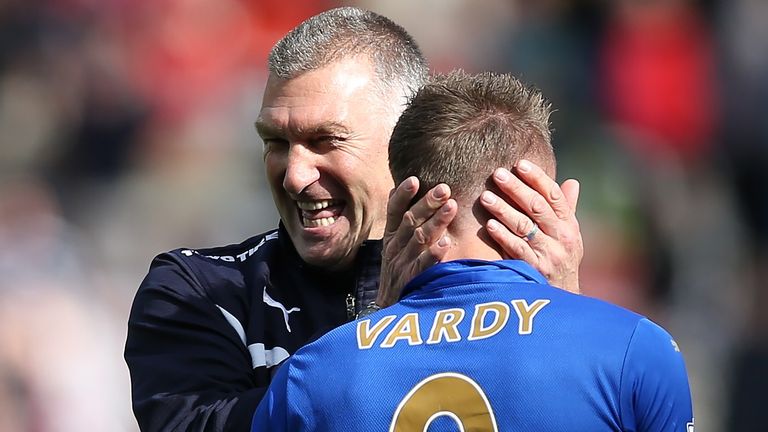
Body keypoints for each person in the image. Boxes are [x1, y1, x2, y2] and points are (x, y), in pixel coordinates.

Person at [125, 7, 583, 431]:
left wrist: (567, 324)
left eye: (326, 140)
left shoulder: (516, 293)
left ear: (405, 139)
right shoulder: (201, 291)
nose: (294, 175)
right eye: (276, 142)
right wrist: (383, 333)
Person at [251, 70, 694, 431]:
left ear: (405, 207)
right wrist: (565, 304)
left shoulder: (310, 375)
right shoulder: (631, 350)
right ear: (539, 206)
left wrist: (377, 317)